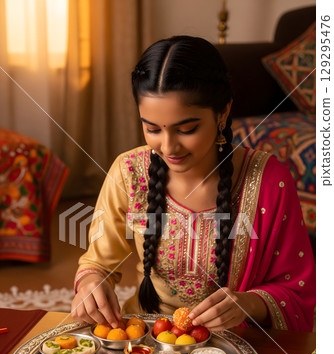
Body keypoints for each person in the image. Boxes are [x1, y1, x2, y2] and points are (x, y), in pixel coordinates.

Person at [71, 36, 315, 332]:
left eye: (186, 129)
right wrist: (91, 283)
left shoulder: (268, 180)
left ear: (223, 112)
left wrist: (248, 304)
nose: (169, 146)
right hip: (147, 338)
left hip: (237, 343)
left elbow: (298, 291)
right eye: (152, 129)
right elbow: (98, 262)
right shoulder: (129, 172)